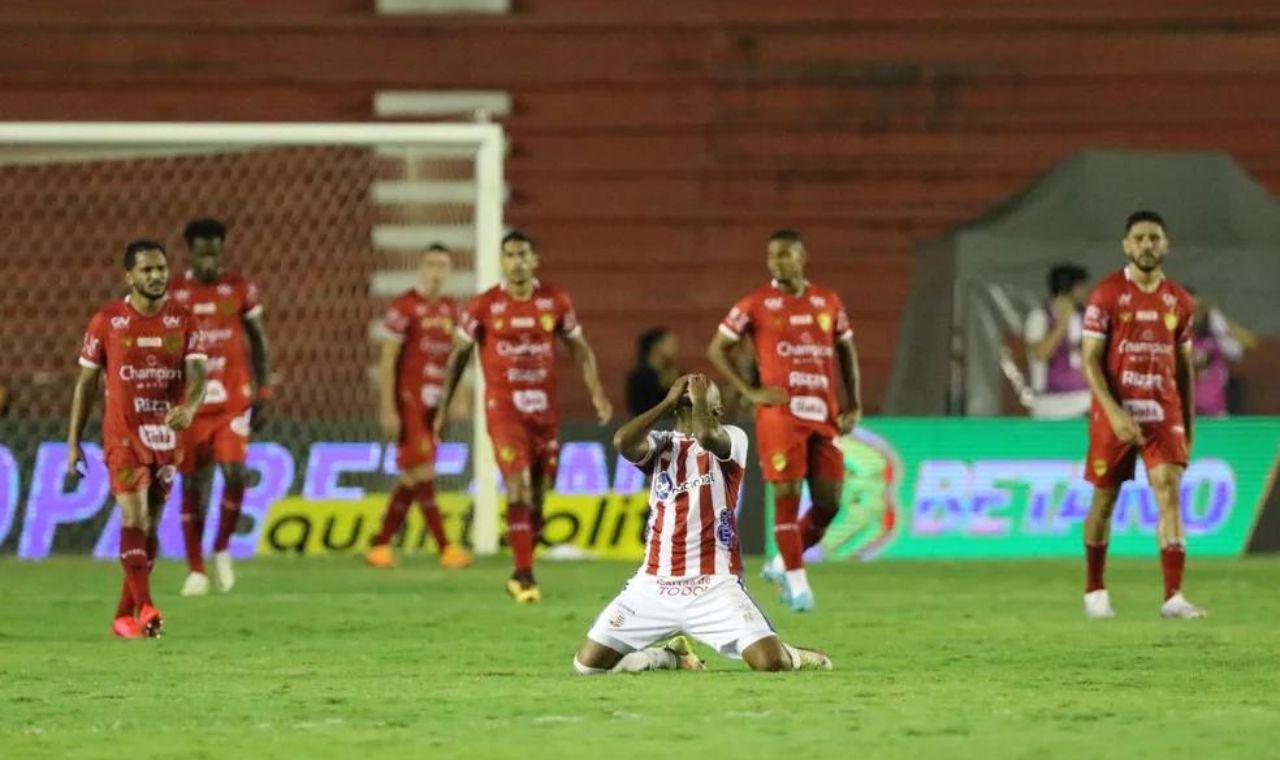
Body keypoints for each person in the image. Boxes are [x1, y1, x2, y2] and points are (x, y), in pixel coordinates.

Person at [573, 374, 832, 674]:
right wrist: (667, 402)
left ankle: (796, 654)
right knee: (587, 666)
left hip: (714, 585)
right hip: (654, 584)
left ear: (718, 410)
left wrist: (698, 402)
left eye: (702, 390)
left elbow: (707, 436)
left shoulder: (733, 439)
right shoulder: (660, 445)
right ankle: (670, 658)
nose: (693, 386)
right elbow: (622, 441)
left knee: (772, 663)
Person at [435, 229, 612, 603]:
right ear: (502, 261)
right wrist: (444, 408)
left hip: (544, 411)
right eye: (510, 255)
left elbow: (580, 350)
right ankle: (524, 575)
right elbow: (459, 358)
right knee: (515, 487)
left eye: (523, 255)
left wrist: (596, 392)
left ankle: (522, 559)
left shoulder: (555, 301)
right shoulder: (483, 305)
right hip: (505, 410)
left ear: (535, 261)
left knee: (538, 497)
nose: (517, 262)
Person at [707, 229, 861, 612]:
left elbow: (846, 351)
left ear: (802, 256)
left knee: (830, 502)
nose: (777, 262)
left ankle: (781, 563)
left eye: (785, 255)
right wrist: (750, 391)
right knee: (786, 496)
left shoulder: (828, 301)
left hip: (823, 413)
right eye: (772, 256)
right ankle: (797, 583)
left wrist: (854, 402)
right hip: (781, 414)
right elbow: (717, 348)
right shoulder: (757, 303)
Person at [65, 240, 207, 638]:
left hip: (165, 436)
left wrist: (190, 408)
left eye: (161, 268)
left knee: (151, 528)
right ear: (129, 276)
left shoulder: (183, 321)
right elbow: (86, 385)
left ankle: (123, 616)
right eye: (146, 270)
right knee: (135, 517)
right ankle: (145, 607)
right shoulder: (108, 321)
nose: (156, 275)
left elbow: (198, 377)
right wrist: (73, 441)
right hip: (123, 435)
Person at [1079, 210, 1204, 620]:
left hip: (1162, 411)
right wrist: (1112, 412)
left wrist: (1188, 420)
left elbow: (1184, 368)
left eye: (1154, 238)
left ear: (1165, 245)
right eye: (1139, 238)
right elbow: (1090, 360)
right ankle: (1095, 589)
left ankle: (1173, 596)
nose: (1147, 245)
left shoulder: (1180, 302)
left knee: (1169, 491)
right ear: (1126, 245)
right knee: (1104, 499)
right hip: (1116, 413)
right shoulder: (1107, 295)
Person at [171, 218, 271, 596]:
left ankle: (222, 547)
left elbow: (258, 342)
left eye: (215, 252)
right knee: (193, 483)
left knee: (234, 472)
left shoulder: (239, 288)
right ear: (191, 253)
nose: (210, 260)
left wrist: (263, 394)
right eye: (202, 252)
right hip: (191, 407)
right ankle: (196, 568)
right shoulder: (175, 294)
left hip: (231, 402)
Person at [366, 244, 472, 569]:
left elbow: (458, 358)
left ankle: (381, 544)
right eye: (431, 264)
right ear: (421, 268)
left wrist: (460, 395)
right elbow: (388, 358)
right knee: (424, 471)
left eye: (443, 265)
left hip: (435, 404)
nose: (436, 271)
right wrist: (388, 407)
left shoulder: (451, 310)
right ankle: (446, 548)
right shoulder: (404, 306)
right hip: (409, 401)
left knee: (413, 476)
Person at [1023, 264, 1092, 418]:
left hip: (1084, 400)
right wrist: (1062, 323)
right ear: (1069, 288)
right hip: (1049, 402)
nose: (1086, 291)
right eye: (1081, 286)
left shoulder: (1086, 317)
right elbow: (1040, 354)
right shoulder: (1039, 317)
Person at [1189, 289, 1258, 417]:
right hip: (1180, 417)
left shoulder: (1215, 340)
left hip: (1215, 414)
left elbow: (1250, 345)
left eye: (1199, 309)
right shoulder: (1167, 340)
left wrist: (1225, 325)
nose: (1194, 314)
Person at [625, 326, 680, 417]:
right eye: (669, 343)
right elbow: (639, 410)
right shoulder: (639, 377)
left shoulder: (677, 374)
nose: (675, 347)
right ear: (655, 346)